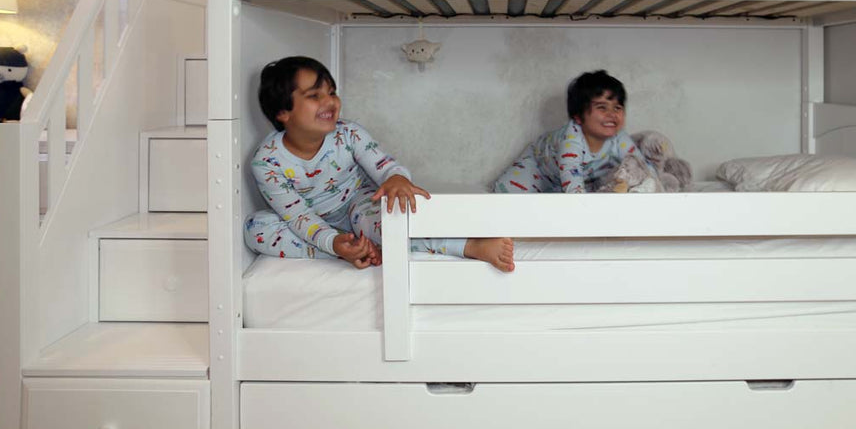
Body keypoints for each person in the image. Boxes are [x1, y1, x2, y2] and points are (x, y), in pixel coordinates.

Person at [244, 56, 514, 272]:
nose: (330, 102)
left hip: (357, 206)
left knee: (395, 216)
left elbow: (385, 165)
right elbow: (298, 217)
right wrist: (334, 243)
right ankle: (346, 253)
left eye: (332, 92)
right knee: (256, 228)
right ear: (283, 112)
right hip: (309, 224)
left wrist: (395, 179)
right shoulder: (266, 162)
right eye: (314, 96)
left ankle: (469, 246)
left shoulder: (349, 134)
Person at [492, 69, 655, 194]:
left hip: (573, 176)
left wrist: (657, 186)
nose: (612, 114)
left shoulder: (620, 139)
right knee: (508, 197)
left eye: (618, 108)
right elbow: (574, 192)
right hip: (538, 168)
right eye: (602, 107)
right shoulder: (572, 141)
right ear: (578, 116)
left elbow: (642, 166)